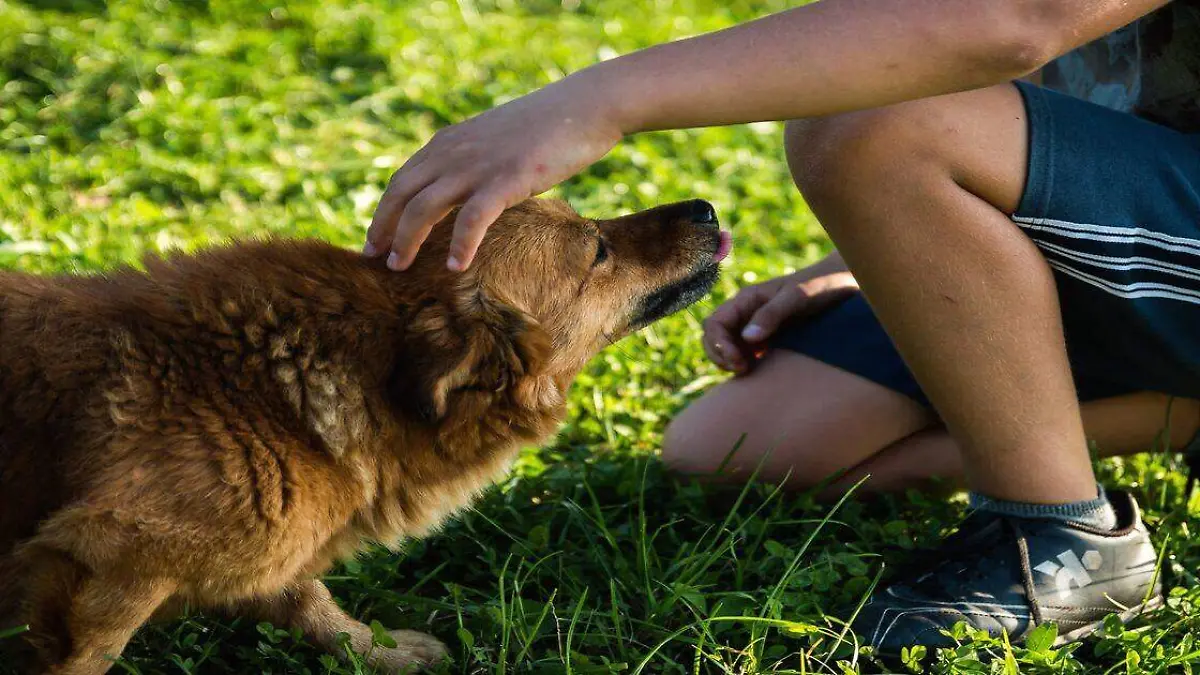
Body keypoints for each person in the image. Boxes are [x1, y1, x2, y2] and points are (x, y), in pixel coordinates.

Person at [365, 0, 1200, 656]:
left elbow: (1017, 19)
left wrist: (599, 100)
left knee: (870, 126)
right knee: (741, 446)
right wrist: (906, 237)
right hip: (1124, 213)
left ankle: (1062, 537)